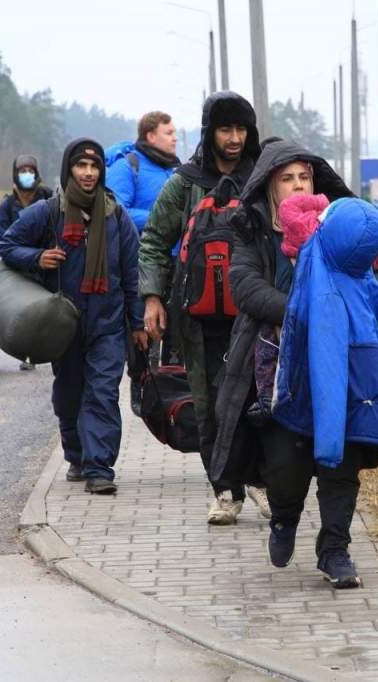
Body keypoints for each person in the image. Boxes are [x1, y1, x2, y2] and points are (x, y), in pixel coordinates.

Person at [271, 196, 378, 588]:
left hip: (355, 393)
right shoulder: (315, 255)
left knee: (341, 473)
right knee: (289, 470)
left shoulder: (357, 274)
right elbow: (291, 211)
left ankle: (334, 550)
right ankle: (284, 520)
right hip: (300, 391)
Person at [139, 91, 265, 525]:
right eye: (225, 129)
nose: (234, 138)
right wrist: (153, 298)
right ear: (210, 132)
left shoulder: (262, 179)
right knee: (210, 405)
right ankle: (224, 491)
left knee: (256, 399)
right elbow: (154, 240)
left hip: (255, 313)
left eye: (241, 129)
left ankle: (260, 481)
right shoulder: (185, 183)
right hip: (197, 317)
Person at [1, 138, 146, 495]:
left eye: (94, 166)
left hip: (107, 325)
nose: (88, 173)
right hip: (62, 325)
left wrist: (138, 323)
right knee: (69, 395)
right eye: (81, 166)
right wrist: (37, 258)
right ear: (70, 169)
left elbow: (132, 273)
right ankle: (77, 455)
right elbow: (7, 245)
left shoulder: (117, 216)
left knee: (102, 393)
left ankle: (100, 468)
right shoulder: (48, 212)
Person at [106, 111, 181, 412]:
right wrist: (162, 220)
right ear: (150, 136)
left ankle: (173, 388)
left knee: (173, 328)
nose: (175, 138)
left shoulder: (176, 171)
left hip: (177, 261)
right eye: (169, 132)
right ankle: (141, 385)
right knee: (142, 330)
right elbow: (115, 208)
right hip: (141, 261)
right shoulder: (128, 167)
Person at [0, 154, 54, 371]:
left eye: (30, 170)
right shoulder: (8, 204)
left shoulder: (48, 197)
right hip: (19, 266)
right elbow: (0, 242)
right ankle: (28, 352)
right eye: (22, 171)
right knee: (25, 313)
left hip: (47, 265)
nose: (26, 175)